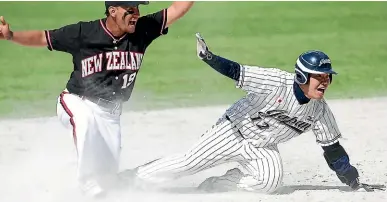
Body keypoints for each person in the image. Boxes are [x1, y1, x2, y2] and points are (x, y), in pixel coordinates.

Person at [116, 33, 385, 193]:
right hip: (233, 131)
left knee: (269, 181)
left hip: (263, 145)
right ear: (302, 75)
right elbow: (238, 71)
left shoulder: (320, 111)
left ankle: (213, 187)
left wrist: (352, 181)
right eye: (319, 77)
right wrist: (210, 57)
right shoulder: (275, 81)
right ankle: (127, 179)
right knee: (188, 164)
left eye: (328, 77)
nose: (325, 82)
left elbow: (333, 149)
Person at [0, 1, 194, 197]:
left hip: (110, 117)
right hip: (77, 100)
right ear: (113, 11)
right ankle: (86, 181)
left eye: (138, 9)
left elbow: (178, 8)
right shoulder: (83, 33)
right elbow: (44, 38)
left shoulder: (143, 29)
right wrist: (11, 36)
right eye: (130, 9)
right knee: (85, 122)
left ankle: (65, 179)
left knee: (108, 180)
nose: (136, 14)